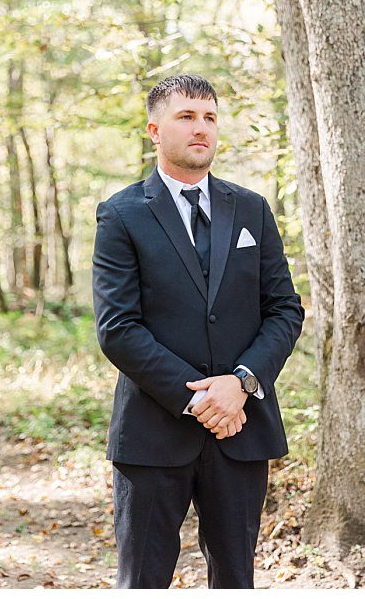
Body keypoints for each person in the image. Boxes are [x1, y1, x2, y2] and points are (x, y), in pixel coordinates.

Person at [92, 74, 304, 589]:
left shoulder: (251, 208)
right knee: (142, 581)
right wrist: (201, 399)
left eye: (209, 117)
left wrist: (239, 383)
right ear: (154, 130)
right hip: (153, 433)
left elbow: (284, 309)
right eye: (186, 116)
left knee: (235, 579)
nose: (201, 128)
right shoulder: (121, 214)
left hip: (241, 428)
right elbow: (117, 327)